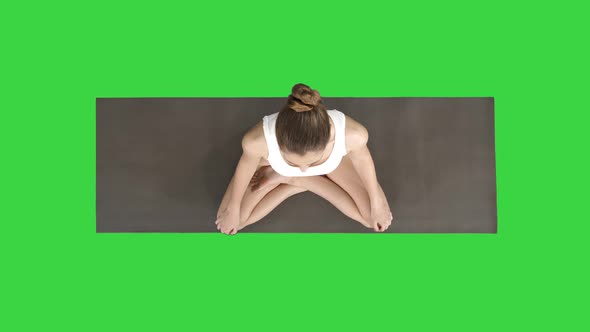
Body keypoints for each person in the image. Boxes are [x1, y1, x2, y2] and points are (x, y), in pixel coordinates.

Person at [215, 83, 393, 235]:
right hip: (270, 165)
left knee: (372, 218)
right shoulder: (256, 141)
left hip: (333, 166)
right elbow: (246, 164)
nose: (304, 169)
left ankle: (289, 179)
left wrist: (376, 203)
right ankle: (294, 178)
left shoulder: (353, 135)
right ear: (278, 141)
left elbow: (363, 160)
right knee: (234, 221)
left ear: (329, 141)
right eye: (292, 163)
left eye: (313, 162)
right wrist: (233, 208)